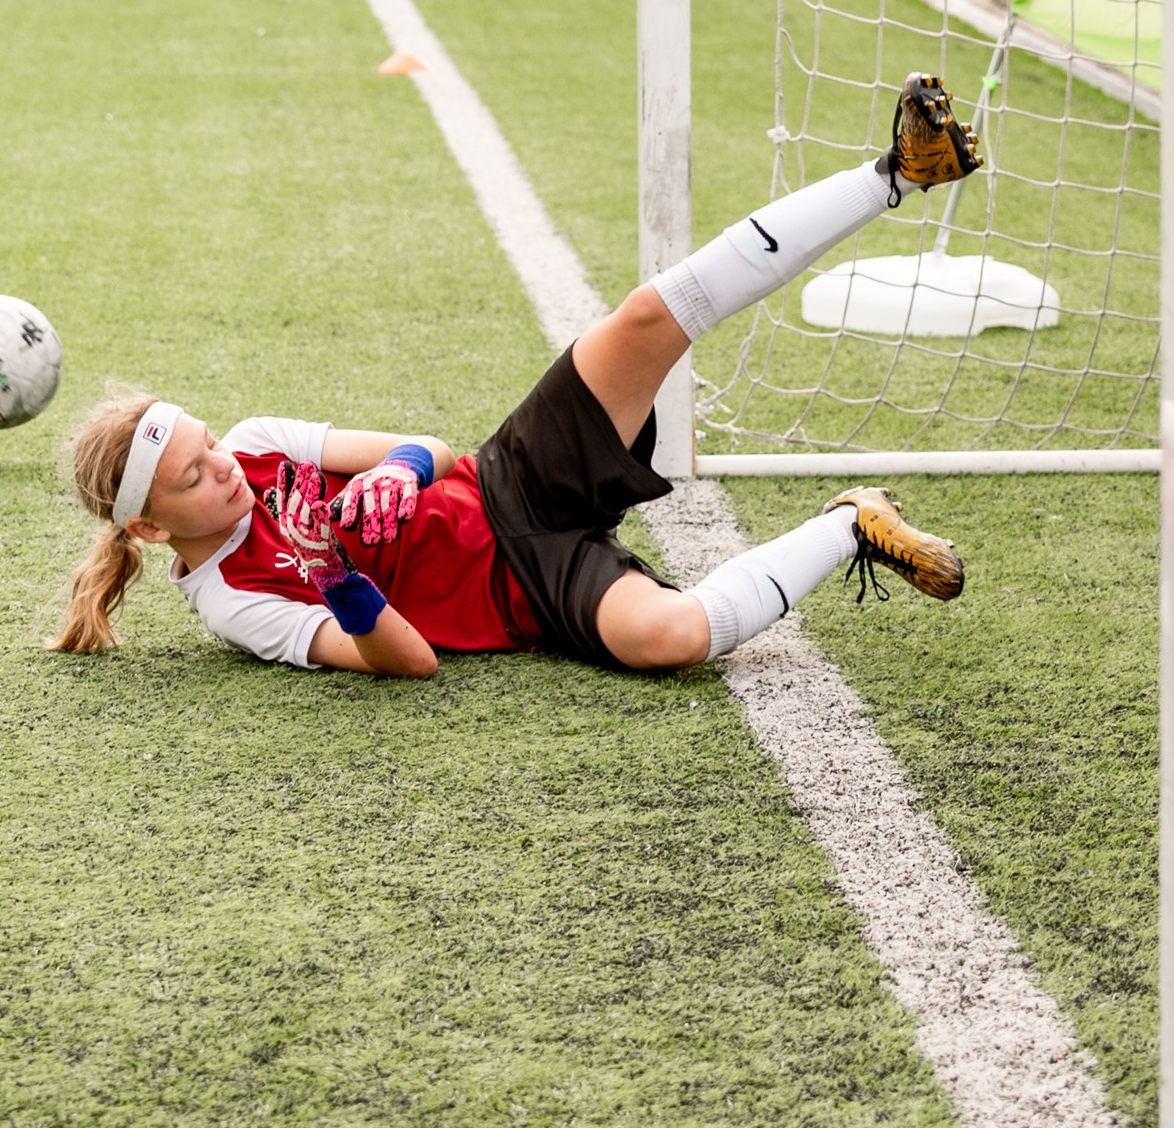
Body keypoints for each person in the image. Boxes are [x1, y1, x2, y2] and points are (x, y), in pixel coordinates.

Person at [48, 75, 983, 677]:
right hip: (527, 585)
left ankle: (897, 172)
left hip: (510, 475)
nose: (221, 466)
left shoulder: (254, 447)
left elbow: (432, 448)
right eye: (193, 477)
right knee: (670, 641)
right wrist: (336, 573)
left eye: (206, 445)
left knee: (647, 318)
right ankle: (851, 523)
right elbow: (407, 663)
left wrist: (394, 474)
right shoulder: (230, 601)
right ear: (147, 524)